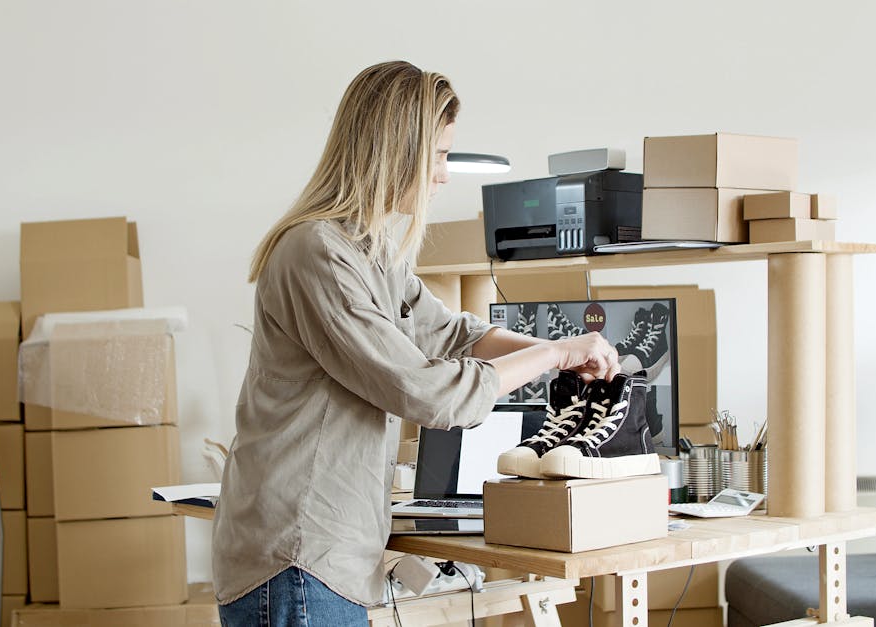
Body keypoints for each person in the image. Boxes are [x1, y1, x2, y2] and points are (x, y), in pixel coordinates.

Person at [211, 60, 621, 627]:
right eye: (440, 155)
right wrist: (553, 356)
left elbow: (451, 334)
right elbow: (425, 390)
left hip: (326, 554)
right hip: (298, 554)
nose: (444, 177)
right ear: (395, 151)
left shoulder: (369, 252)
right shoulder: (319, 254)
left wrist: (569, 350)